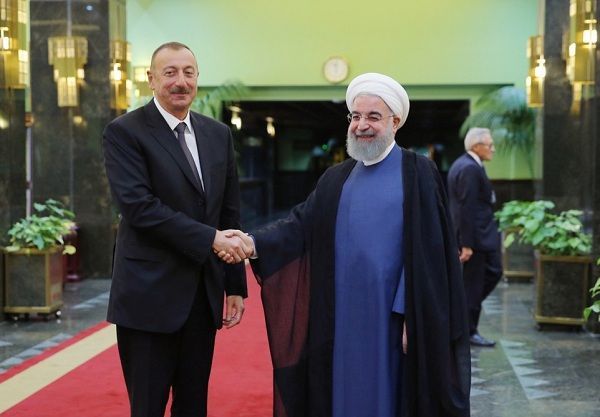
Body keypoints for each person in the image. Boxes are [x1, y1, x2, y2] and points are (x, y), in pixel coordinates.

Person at [221, 73, 471, 417]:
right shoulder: (336, 178)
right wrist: (251, 243)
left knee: (388, 392)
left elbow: (431, 251)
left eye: (373, 117)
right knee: (342, 389)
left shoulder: (418, 173)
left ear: (395, 122)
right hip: (339, 311)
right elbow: (300, 225)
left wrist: (413, 313)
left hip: (390, 313)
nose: (361, 125)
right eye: (355, 116)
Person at [102, 42, 250, 417]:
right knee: (147, 407)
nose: (180, 81)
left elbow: (229, 211)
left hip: (202, 294)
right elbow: (139, 208)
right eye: (169, 73)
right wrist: (210, 239)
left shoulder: (217, 134)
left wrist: (234, 284)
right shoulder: (125, 132)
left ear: (197, 78)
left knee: (193, 405)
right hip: (147, 297)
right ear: (151, 79)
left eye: (188, 72)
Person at [447, 127, 503, 347]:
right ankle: (467, 329)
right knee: (475, 284)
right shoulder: (469, 168)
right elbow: (466, 208)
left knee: (486, 278)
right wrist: (467, 244)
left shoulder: (468, 164)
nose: (493, 149)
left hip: (480, 237)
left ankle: (462, 319)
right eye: (490, 145)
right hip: (476, 239)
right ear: (477, 146)